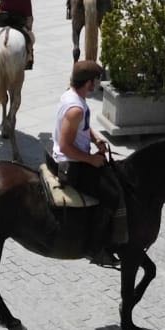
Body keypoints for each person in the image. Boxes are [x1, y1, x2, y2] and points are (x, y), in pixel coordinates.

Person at [53, 60, 126, 266]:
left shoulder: (72, 96)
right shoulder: (76, 109)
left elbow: (82, 128)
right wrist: (91, 160)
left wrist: (96, 139)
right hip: (71, 165)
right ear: (88, 83)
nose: (97, 84)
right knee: (112, 194)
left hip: (77, 157)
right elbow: (66, 146)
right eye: (96, 80)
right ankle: (96, 247)